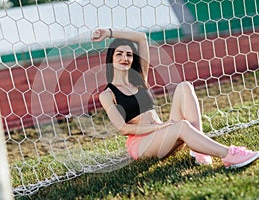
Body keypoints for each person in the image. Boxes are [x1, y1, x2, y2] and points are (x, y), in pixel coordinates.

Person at [91, 28, 259, 169]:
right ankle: (229, 155)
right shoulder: (107, 94)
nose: (125, 58)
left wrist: (109, 32)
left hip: (162, 134)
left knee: (184, 86)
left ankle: (198, 151)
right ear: (111, 58)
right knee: (182, 126)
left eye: (129, 54)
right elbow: (124, 129)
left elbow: (142, 39)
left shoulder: (140, 78)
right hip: (142, 145)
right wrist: (161, 127)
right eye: (119, 54)